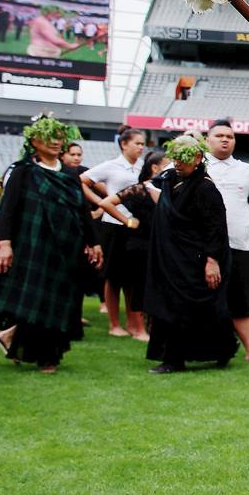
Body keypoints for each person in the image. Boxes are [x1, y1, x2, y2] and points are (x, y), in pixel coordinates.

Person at [0, 116, 101, 372]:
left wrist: (93, 241)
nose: (55, 142)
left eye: (58, 138)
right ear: (34, 141)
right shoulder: (24, 171)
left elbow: (82, 210)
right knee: (36, 301)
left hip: (67, 247)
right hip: (34, 246)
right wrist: (4, 244)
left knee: (59, 300)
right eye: (48, 137)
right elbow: (7, 210)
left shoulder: (69, 173)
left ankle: (21, 341)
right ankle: (44, 357)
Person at [145, 135, 237, 373]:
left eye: (183, 158)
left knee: (195, 309)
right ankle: (172, 357)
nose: (177, 162)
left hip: (195, 260)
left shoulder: (205, 187)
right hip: (172, 259)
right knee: (171, 306)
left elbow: (216, 227)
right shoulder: (169, 181)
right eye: (174, 157)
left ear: (197, 158)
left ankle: (212, 351)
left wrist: (211, 261)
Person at [204, 119, 249, 365]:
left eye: (230, 137)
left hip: (239, 243)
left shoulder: (246, 169)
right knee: (203, 297)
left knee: (240, 299)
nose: (225, 139)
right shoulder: (196, 165)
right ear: (207, 140)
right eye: (219, 135)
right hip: (202, 246)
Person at [81, 128, 147, 338]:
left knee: (132, 278)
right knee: (113, 276)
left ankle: (133, 322)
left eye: (142, 143)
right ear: (124, 144)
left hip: (136, 225)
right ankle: (114, 323)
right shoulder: (111, 166)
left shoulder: (142, 167)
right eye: (136, 143)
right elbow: (83, 180)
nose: (140, 147)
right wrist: (100, 203)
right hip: (114, 224)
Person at [97, 149, 168, 342]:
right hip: (138, 245)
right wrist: (127, 220)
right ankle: (137, 328)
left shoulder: (167, 190)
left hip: (156, 246)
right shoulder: (139, 188)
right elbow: (107, 202)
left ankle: (143, 326)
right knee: (135, 286)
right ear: (155, 167)